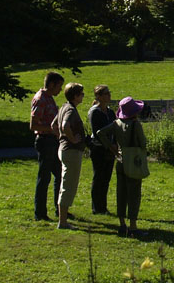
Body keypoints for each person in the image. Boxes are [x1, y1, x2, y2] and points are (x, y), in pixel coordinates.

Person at [98, 96, 149, 237]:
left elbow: (100, 133)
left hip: (120, 160)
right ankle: (133, 226)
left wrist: (111, 147)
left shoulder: (116, 123)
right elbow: (143, 144)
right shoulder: (135, 125)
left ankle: (122, 224)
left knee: (121, 193)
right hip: (134, 162)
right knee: (134, 194)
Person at [29, 72, 64, 222]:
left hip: (53, 141)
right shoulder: (41, 99)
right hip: (45, 141)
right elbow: (33, 125)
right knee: (44, 177)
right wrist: (52, 129)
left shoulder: (49, 98)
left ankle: (60, 210)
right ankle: (40, 213)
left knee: (60, 175)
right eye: (59, 86)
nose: (60, 90)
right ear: (51, 85)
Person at [53, 82, 86, 230]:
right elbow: (63, 126)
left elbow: (53, 126)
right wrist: (71, 139)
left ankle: (63, 219)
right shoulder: (70, 110)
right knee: (68, 185)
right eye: (81, 94)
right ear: (76, 96)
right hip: (71, 151)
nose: (83, 96)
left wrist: (61, 138)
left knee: (65, 184)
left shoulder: (63, 107)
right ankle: (63, 221)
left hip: (64, 149)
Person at [88, 85, 115, 215]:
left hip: (111, 149)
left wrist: (114, 145)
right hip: (99, 148)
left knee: (106, 178)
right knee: (98, 177)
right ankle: (96, 207)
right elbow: (97, 132)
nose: (109, 96)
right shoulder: (95, 112)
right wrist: (109, 145)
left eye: (109, 93)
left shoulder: (110, 112)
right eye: (106, 94)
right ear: (98, 96)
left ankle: (103, 206)